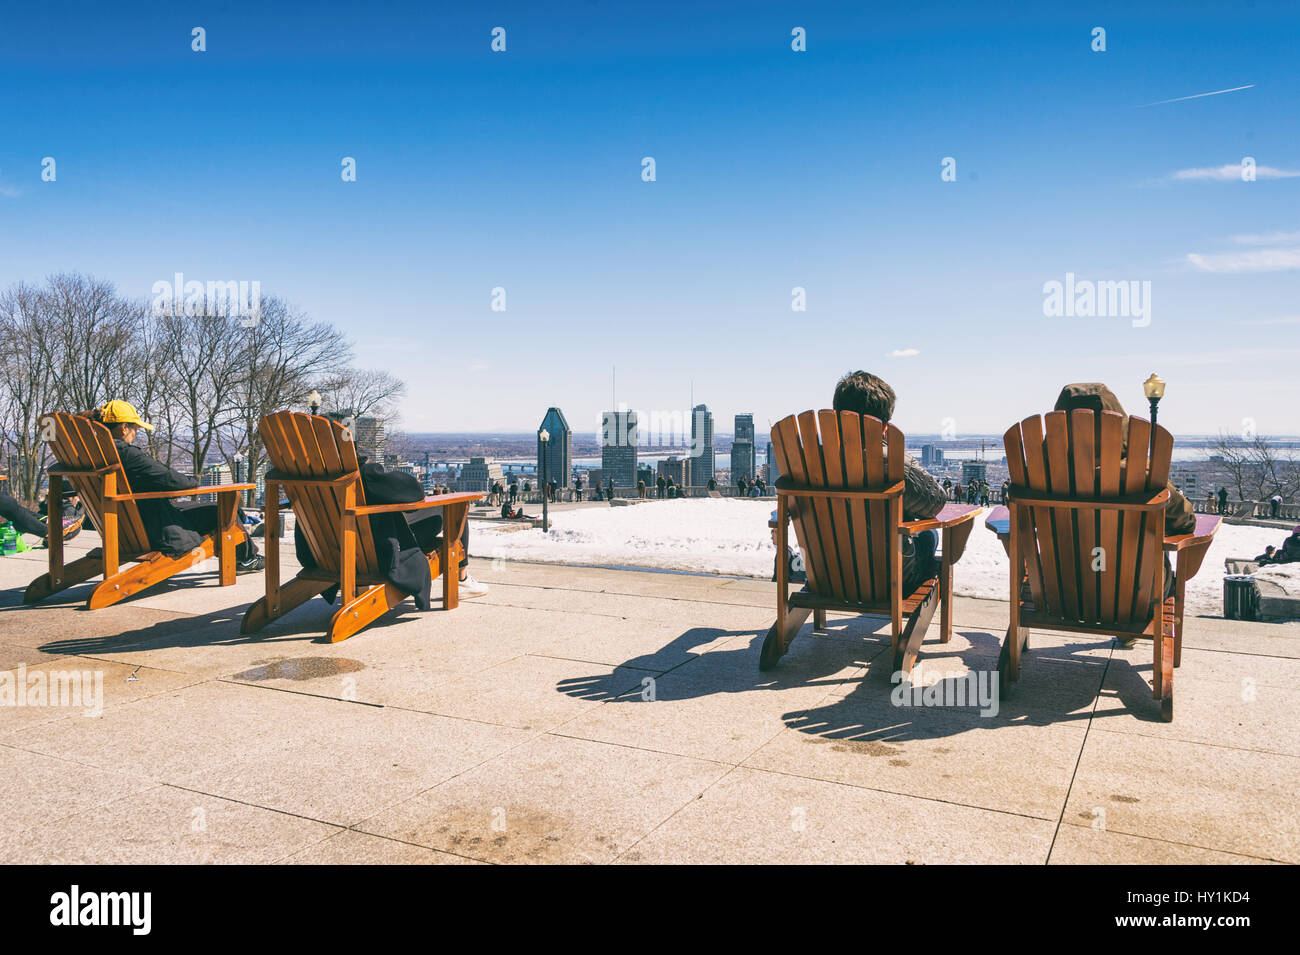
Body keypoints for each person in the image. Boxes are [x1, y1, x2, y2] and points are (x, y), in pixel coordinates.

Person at [92, 401, 264, 571]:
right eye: (135, 429)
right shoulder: (127, 454)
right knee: (223, 511)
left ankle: (247, 557)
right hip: (154, 528)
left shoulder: (94, 454)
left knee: (220, 509)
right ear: (123, 428)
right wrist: (193, 483)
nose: (135, 434)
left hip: (123, 528)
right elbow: (173, 480)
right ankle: (247, 559)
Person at [831, 371, 946, 594]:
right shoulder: (891, 462)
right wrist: (901, 457)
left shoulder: (809, 460)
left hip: (827, 571)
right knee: (929, 534)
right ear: (884, 426)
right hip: (892, 577)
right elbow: (936, 502)